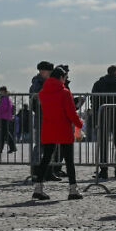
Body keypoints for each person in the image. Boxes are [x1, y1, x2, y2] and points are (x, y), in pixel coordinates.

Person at [33, 66, 84, 201]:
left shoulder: (43, 92)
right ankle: (73, 189)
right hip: (63, 128)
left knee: (46, 158)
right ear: (62, 78)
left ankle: (38, 188)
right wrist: (79, 124)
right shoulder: (65, 93)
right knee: (69, 160)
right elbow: (71, 113)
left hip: (48, 128)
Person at [91, 65, 116, 179]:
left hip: (102, 117)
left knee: (102, 144)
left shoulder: (98, 84)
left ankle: (103, 170)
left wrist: (95, 118)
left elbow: (93, 101)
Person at [0, 87, 16, 155]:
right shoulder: (7, 98)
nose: (0, 93)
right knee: (4, 134)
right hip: (5, 117)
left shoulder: (4, 98)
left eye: (1, 91)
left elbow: (3, 108)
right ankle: (0, 148)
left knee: (4, 133)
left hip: (4, 117)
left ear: (3, 91)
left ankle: (10, 147)